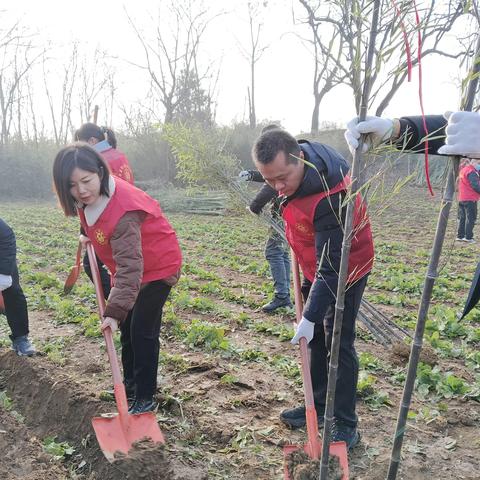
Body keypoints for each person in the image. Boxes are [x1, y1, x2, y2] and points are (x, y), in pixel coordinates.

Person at [252, 129, 374, 449]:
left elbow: (333, 267)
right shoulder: (294, 171)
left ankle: (345, 423)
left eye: (282, 178)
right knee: (316, 336)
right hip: (313, 262)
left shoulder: (329, 195)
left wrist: (310, 314)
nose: (277, 187)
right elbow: (281, 188)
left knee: (337, 340)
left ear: (300, 159)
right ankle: (319, 405)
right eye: (269, 180)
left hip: (346, 267)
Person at [52, 143, 182, 414]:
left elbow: (131, 267)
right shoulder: (85, 199)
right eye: (73, 185)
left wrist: (114, 310)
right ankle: (131, 388)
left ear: (101, 172)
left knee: (141, 331)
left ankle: (144, 398)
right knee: (127, 330)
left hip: (156, 267)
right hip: (128, 269)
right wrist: (87, 233)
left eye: (86, 181)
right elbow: (93, 221)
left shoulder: (123, 210)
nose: (82, 190)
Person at [75, 123, 135, 299]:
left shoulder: (99, 161)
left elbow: (96, 197)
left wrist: (85, 230)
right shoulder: (118, 155)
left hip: (109, 222)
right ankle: (124, 302)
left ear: (92, 140)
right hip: (126, 216)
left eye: (82, 143)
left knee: (95, 264)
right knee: (120, 266)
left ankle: (119, 302)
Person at [0, 218, 36, 356]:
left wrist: (3, 273)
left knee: (12, 291)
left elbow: (6, 236)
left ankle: (20, 338)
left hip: (1, 255)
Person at [456, 158, 480, 243]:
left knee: (462, 217)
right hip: (470, 198)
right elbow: (476, 185)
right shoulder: (471, 172)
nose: (479, 164)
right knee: (471, 218)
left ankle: (460, 236)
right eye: (478, 162)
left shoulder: (463, 170)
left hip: (462, 197)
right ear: (473, 162)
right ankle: (468, 237)